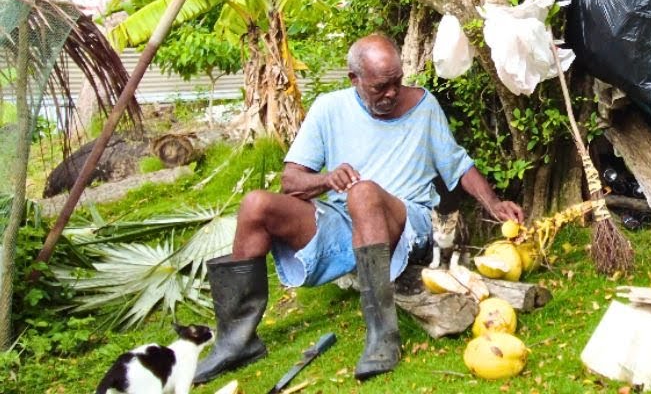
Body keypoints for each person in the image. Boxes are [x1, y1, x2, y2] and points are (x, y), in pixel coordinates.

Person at [194, 34, 524, 384]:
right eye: (381, 86)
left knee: (363, 193)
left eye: (397, 82)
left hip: (407, 223)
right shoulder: (329, 107)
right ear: (354, 79)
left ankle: (382, 336)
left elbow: (456, 165)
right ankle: (236, 340)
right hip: (343, 221)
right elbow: (291, 182)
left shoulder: (424, 107)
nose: (392, 93)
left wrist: (493, 202)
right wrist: (326, 180)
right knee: (255, 204)